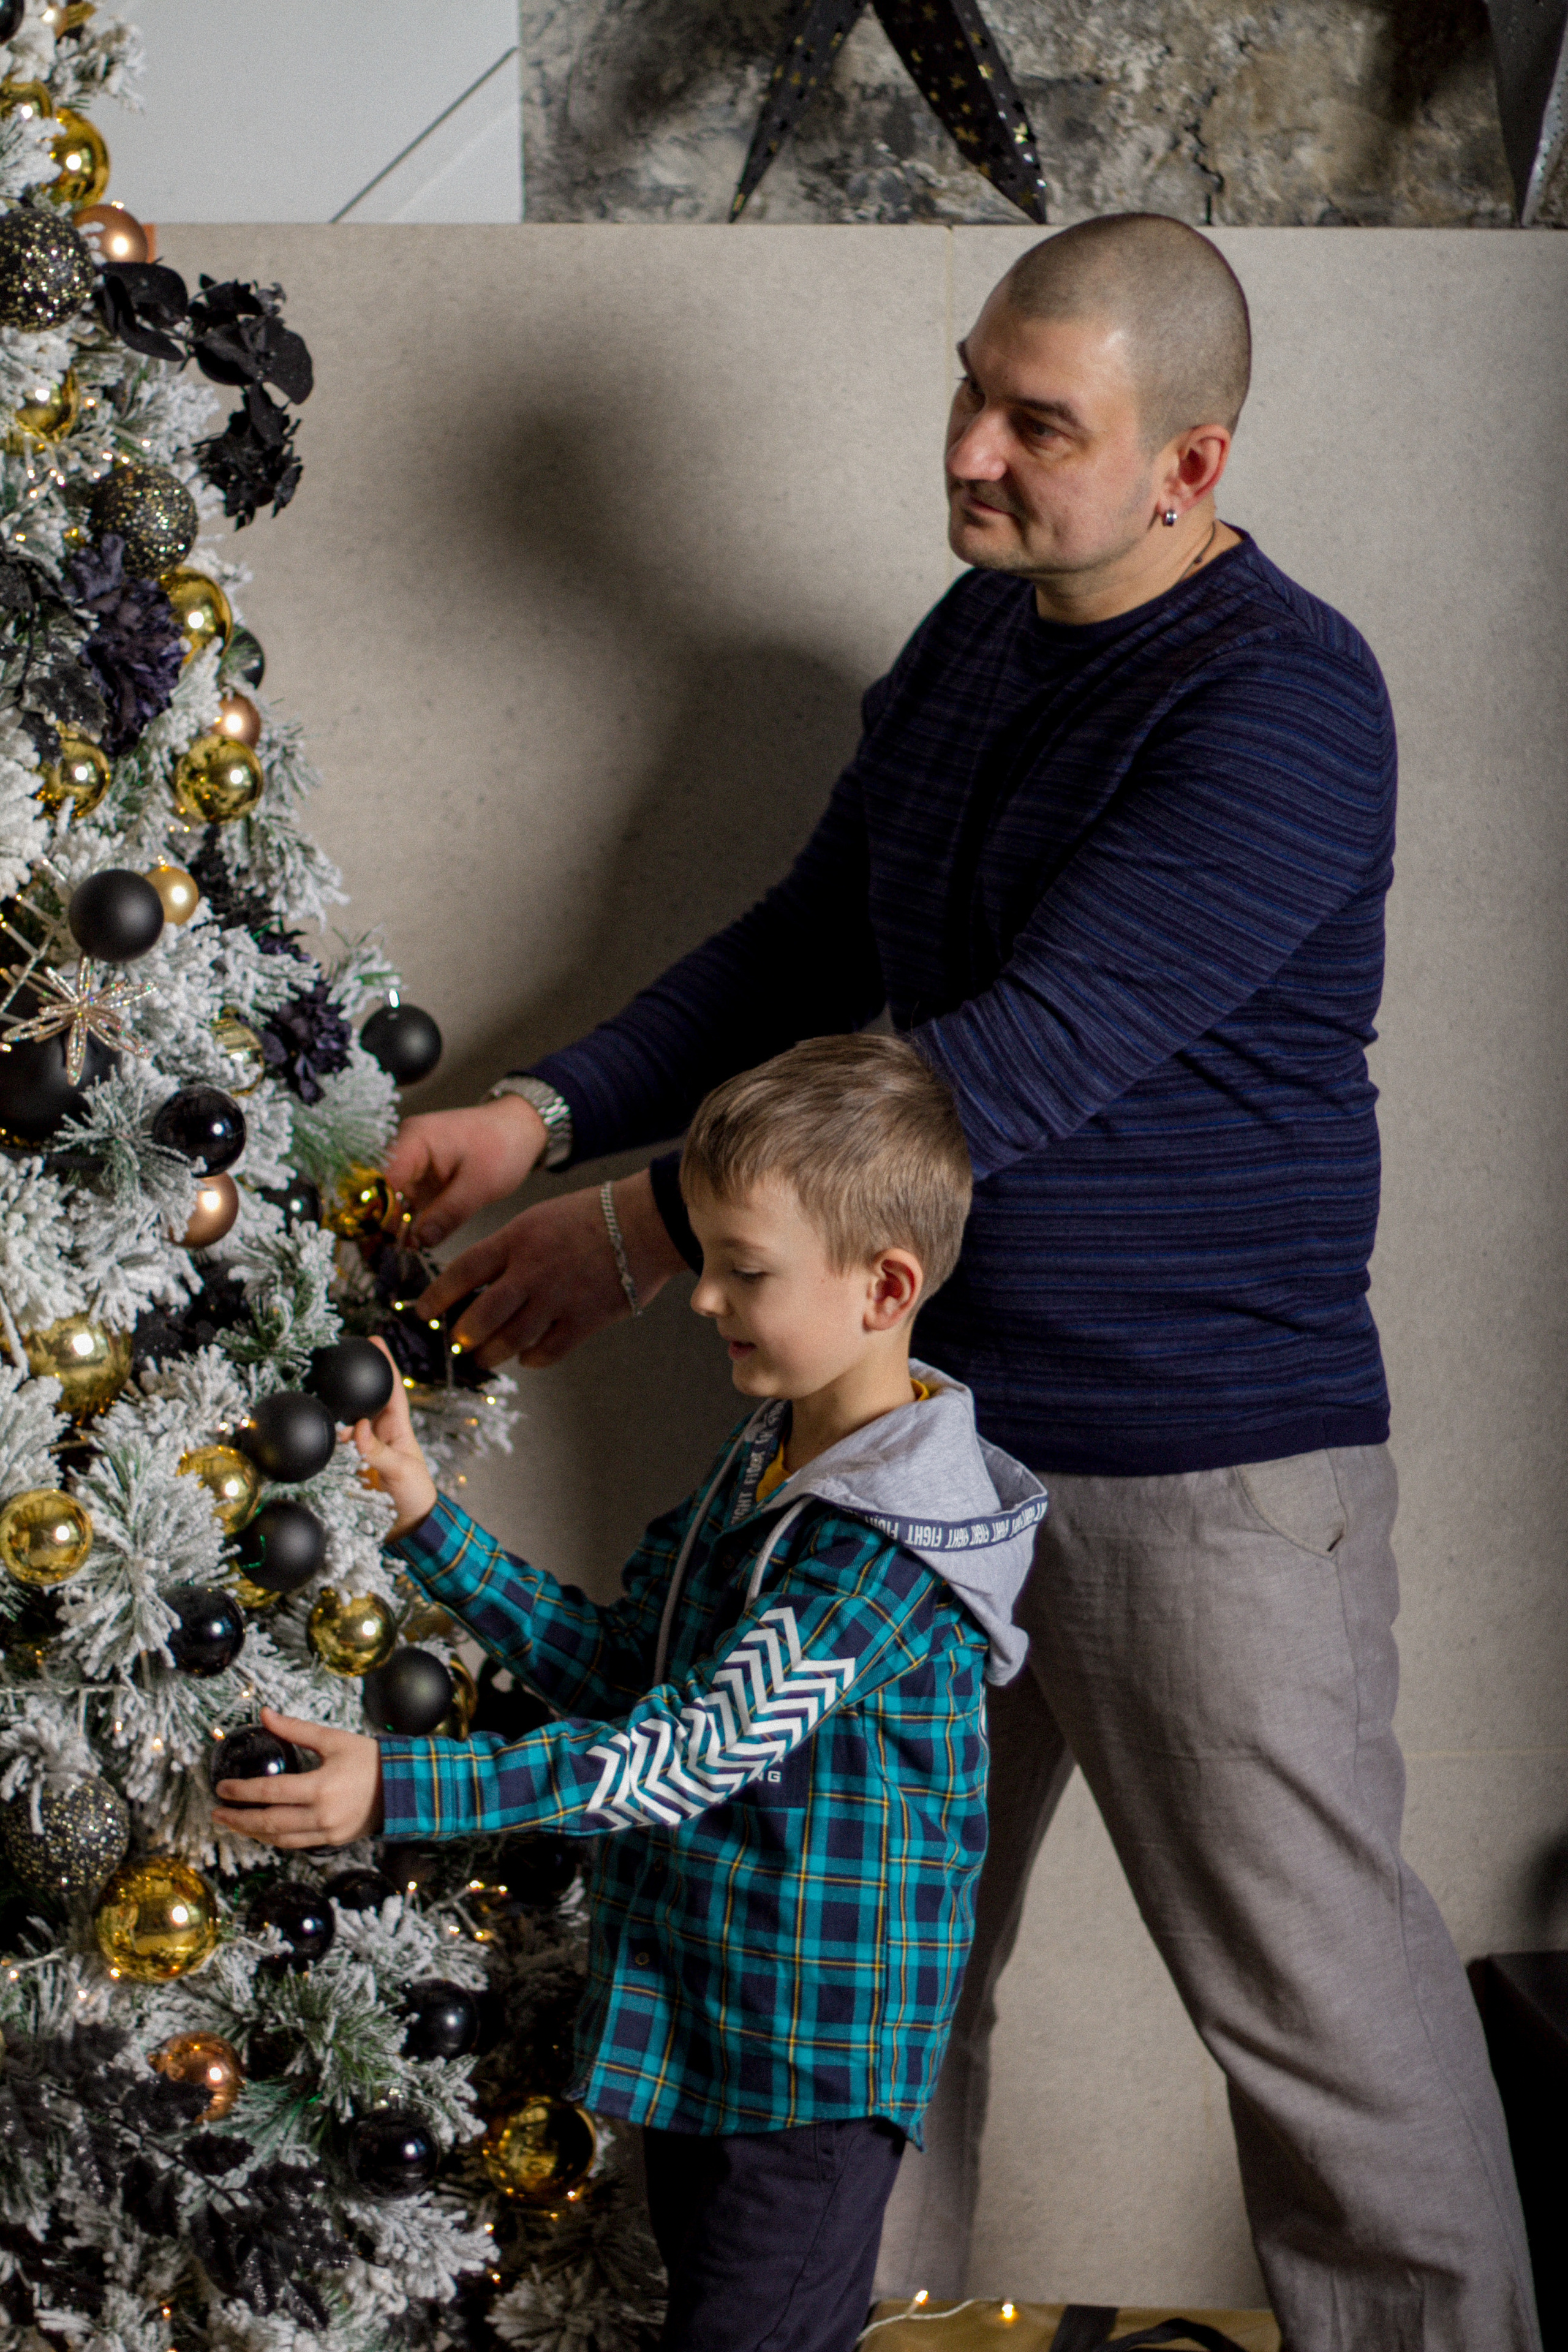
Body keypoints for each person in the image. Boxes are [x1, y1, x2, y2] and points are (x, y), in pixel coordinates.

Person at [381, 215, 1540, 2348]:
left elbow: (1005, 1064)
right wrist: (553, 1111)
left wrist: (645, 1234)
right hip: (910, 1450)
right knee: (855, 1982)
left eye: (1042, 423)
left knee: (1328, 2042)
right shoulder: (979, 636)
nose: (975, 453)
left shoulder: (1289, 704)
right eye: (971, 389)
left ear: (1190, 466)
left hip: (1204, 1469)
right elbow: (821, 944)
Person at [214, 1035, 1046, 2352]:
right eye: (708, 1258)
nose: (703, 1298)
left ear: (883, 1286)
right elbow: (628, 1670)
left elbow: (687, 1751)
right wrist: (431, 1523)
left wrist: (397, 1786)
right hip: (706, 2035)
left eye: (744, 1270)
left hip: (803, 2082)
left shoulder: (883, 1556)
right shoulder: (768, 1459)